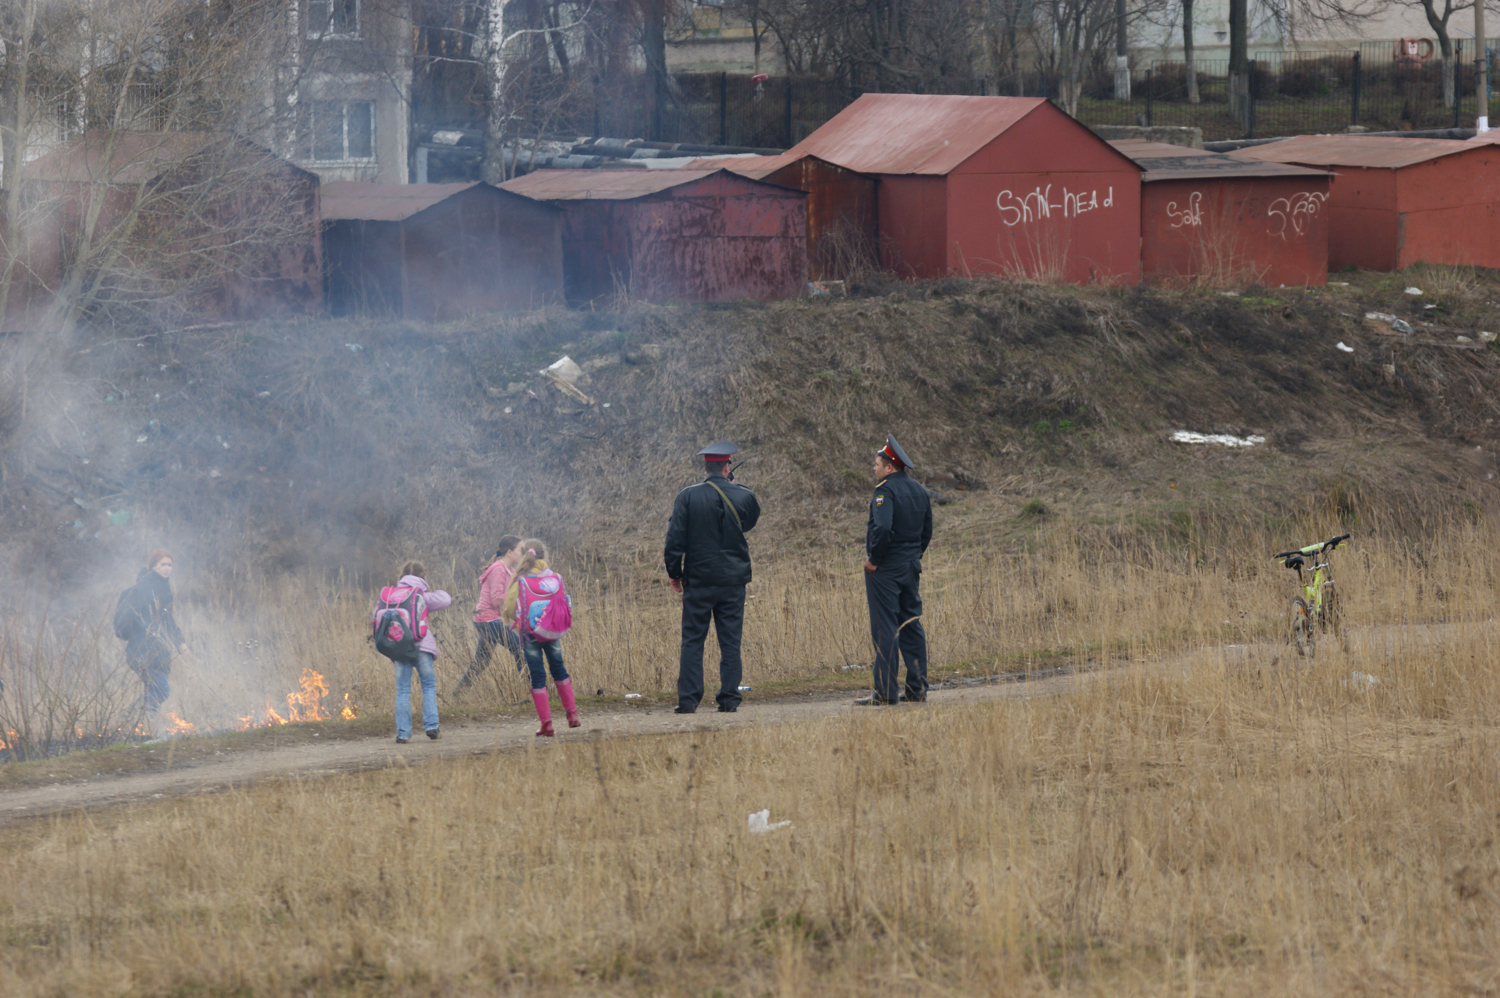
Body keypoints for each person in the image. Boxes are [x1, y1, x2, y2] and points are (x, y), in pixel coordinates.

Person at [663, 441, 761, 714]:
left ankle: (688, 701)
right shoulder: (744, 495)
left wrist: (675, 573)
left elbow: (674, 541)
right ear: (727, 465)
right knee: (731, 642)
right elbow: (748, 522)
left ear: (706, 466)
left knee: (693, 640)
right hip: (733, 581)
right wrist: (735, 488)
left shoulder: (687, 496)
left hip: (699, 580)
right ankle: (729, 699)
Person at [858, 434, 933, 706]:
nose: (874, 468)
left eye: (877, 464)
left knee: (885, 628)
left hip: (886, 569)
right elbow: (927, 531)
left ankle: (885, 692)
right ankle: (917, 689)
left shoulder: (884, 491)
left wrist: (875, 559)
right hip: (911, 566)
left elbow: (883, 527)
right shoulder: (920, 491)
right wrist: (915, 554)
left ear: (890, 467)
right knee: (911, 623)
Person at [502, 539, 579, 736]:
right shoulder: (555, 578)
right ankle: (572, 715)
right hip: (552, 632)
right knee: (559, 669)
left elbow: (510, 606)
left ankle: (547, 723)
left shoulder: (521, 580)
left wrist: (516, 619)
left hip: (530, 634)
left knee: (537, 676)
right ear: (543, 556)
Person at [373, 561, 452, 744]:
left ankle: (403, 733)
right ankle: (432, 727)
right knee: (428, 685)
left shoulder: (389, 596)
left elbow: (374, 615)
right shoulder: (421, 595)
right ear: (422, 576)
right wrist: (428, 589)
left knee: (402, 690)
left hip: (398, 647)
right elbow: (446, 599)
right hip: (421, 645)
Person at [118, 549, 187, 718]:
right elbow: (128, 619)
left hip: (159, 651)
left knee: (155, 690)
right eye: (163, 564)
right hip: (141, 650)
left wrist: (180, 642)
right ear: (153, 566)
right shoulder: (142, 588)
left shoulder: (164, 589)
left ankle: (142, 724)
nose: (167, 568)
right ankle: (129, 718)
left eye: (170, 565)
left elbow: (167, 619)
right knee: (161, 689)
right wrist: (139, 633)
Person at [456, 535, 525, 693]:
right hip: (488, 619)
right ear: (509, 552)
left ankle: (458, 693)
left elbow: (514, 595)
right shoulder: (499, 569)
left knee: (482, 660)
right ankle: (532, 689)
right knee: (520, 649)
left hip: (487, 619)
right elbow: (496, 599)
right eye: (520, 549)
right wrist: (514, 612)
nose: (522, 553)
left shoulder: (511, 571)